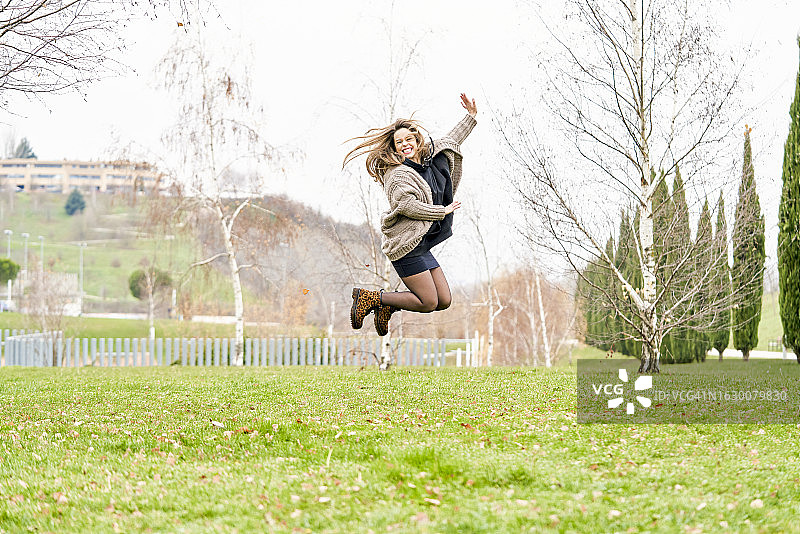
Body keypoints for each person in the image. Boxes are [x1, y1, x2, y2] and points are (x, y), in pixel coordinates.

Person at [342, 93, 478, 336]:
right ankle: (371, 298)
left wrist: (471, 117)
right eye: (399, 143)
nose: (405, 144)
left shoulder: (430, 158)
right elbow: (407, 206)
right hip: (404, 247)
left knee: (444, 300)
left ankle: (385, 305)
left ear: (416, 140)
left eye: (408, 139)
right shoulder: (398, 174)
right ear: (395, 149)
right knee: (427, 302)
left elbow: (451, 139)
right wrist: (441, 211)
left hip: (421, 246)